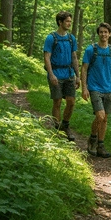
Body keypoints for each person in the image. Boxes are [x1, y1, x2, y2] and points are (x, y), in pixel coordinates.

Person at [81, 22, 111, 158]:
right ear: (98, 34)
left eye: (106, 32)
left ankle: (101, 146)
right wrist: (84, 87)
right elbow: (84, 69)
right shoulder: (91, 49)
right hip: (94, 87)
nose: (103, 34)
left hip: (108, 88)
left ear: (109, 34)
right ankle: (92, 139)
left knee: (105, 119)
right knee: (100, 115)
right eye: (101, 32)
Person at [43, 11, 80, 141]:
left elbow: (74, 57)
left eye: (70, 21)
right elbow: (47, 57)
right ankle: (57, 129)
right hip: (56, 74)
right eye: (67, 21)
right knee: (57, 102)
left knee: (71, 102)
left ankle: (65, 125)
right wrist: (51, 74)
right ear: (60, 22)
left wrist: (78, 76)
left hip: (69, 74)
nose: (69, 23)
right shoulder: (51, 38)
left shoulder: (71, 38)